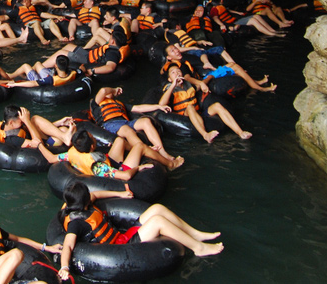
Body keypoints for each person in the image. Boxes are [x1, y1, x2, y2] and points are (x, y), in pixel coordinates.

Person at [54, 181, 223, 280]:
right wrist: (65, 267)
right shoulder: (76, 223)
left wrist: (120, 194)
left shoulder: (83, 205)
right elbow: (68, 245)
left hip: (122, 237)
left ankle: (194, 234)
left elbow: (96, 195)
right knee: (158, 221)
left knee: (157, 208)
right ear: (83, 201)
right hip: (120, 248)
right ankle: (198, 248)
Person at [92, 86, 184, 169]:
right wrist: (115, 90)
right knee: (127, 130)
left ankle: (163, 152)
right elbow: (103, 90)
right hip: (110, 124)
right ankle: (147, 149)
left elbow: (139, 108)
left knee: (145, 121)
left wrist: (158, 106)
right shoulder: (96, 104)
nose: (109, 93)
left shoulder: (119, 103)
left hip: (125, 122)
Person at [159, 64, 252, 142]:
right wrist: (173, 85)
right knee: (190, 107)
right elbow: (161, 104)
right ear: (170, 79)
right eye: (173, 72)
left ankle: (240, 132)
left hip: (198, 114)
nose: (177, 73)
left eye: (178, 71)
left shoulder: (188, 84)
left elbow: (200, 85)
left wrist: (205, 82)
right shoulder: (169, 87)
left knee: (217, 106)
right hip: (184, 116)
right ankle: (205, 135)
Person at [36, 129, 161, 181]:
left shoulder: (74, 152)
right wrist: (138, 168)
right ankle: (171, 163)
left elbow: (51, 158)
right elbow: (126, 176)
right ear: (91, 146)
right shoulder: (98, 166)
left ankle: (139, 151)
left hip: (109, 162)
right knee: (140, 147)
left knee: (119, 141)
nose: (94, 138)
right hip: (117, 172)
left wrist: (39, 145)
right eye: (92, 137)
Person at [0, 105, 76, 149]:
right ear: (11, 123)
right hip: (44, 146)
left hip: (40, 136)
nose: (23, 121)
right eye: (21, 121)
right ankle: (64, 137)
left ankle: (65, 137)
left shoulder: (10, 125)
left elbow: (41, 127)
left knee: (35, 119)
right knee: (61, 135)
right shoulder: (13, 139)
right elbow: (38, 143)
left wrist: (60, 122)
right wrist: (27, 121)